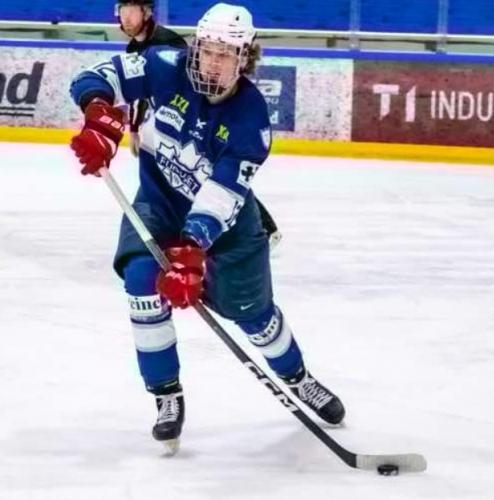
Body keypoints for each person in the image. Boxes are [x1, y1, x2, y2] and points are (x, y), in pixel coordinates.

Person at [69, 2, 345, 453]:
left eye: (225, 54)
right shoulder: (165, 64)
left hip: (230, 230)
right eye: (207, 50)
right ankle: (166, 395)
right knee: (141, 283)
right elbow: (96, 76)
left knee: (253, 315)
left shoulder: (251, 120)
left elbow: (221, 197)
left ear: (245, 59)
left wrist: (192, 250)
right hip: (158, 206)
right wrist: (98, 114)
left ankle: (298, 377)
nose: (212, 62)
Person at [117, 0, 282, 249]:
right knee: (208, 175)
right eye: (123, 11)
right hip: (169, 122)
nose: (127, 18)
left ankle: (262, 228)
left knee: (217, 177)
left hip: (191, 121)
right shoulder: (136, 47)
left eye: (132, 11)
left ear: (147, 13)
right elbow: (140, 91)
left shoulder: (167, 43)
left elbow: (187, 83)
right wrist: (134, 127)